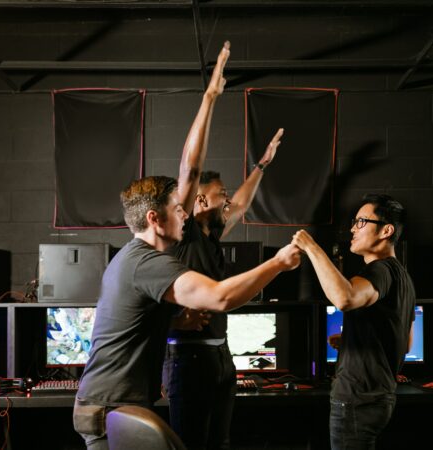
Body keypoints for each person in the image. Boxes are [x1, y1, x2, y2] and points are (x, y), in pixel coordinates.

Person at [73, 43, 302, 450]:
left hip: (120, 404)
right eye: (176, 208)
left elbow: (135, 319)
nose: (183, 213)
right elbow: (220, 297)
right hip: (111, 408)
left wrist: (173, 322)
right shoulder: (148, 262)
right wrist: (279, 263)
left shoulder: (142, 259)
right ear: (154, 218)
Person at [162, 43, 284, 448]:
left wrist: (262, 165)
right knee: (191, 443)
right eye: (221, 195)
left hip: (219, 356)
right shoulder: (184, 229)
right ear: (199, 200)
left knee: (219, 443)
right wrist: (210, 98)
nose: (228, 201)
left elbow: (243, 204)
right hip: (187, 359)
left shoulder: (212, 233)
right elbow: (190, 167)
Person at [291, 193, 416, 450]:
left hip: (358, 400)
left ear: (386, 231)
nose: (352, 229)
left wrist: (312, 248)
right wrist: (351, 339)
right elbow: (404, 343)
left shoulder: (379, 270)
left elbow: (344, 298)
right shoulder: (403, 277)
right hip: (378, 399)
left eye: (361, 222)